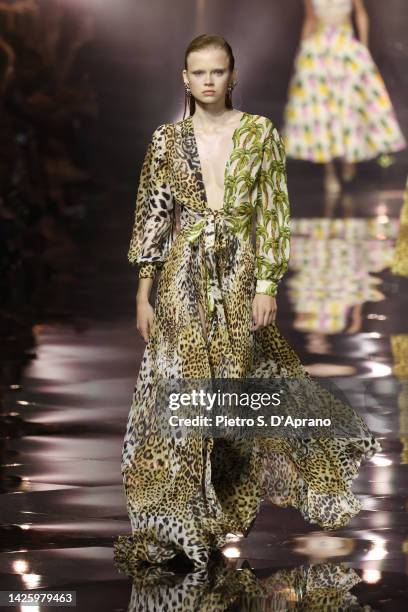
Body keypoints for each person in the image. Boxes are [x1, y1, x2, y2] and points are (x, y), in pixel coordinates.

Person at [114, 34, 380, 573]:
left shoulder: (259, 134)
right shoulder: (166, 140)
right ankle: (179, 522)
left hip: (237, 276)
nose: (208, 81)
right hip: (181, 281)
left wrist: (267, 284)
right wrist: (144, 291)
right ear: (184, 79)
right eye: (198, 72)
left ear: (232, 75)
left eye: (217, 71)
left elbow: (273, 213)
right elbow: (154, 215)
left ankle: (215, 514)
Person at [282, 0, 406, 192]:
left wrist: (363, 45)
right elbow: (310, 19)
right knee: (322, 112)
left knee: (348, 106)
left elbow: (361, 14)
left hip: (345, 45)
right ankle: (329, 171)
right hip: (319, 50)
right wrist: (302, 49)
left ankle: (350, 156)